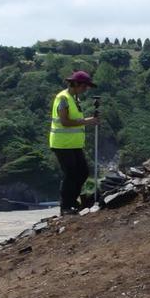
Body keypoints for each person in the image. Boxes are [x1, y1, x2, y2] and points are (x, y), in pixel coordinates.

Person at [49, 70, 100, 215]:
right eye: (84, 86)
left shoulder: (74, 98)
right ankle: (66, 206)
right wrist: (87, 121)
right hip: (62, 144)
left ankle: (72, 201)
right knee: (70, 173)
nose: (86, 89)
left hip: (74, 144)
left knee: (82, 172)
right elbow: (64, 121)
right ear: (76, 84)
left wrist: (88, 120)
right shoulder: (63, 98)